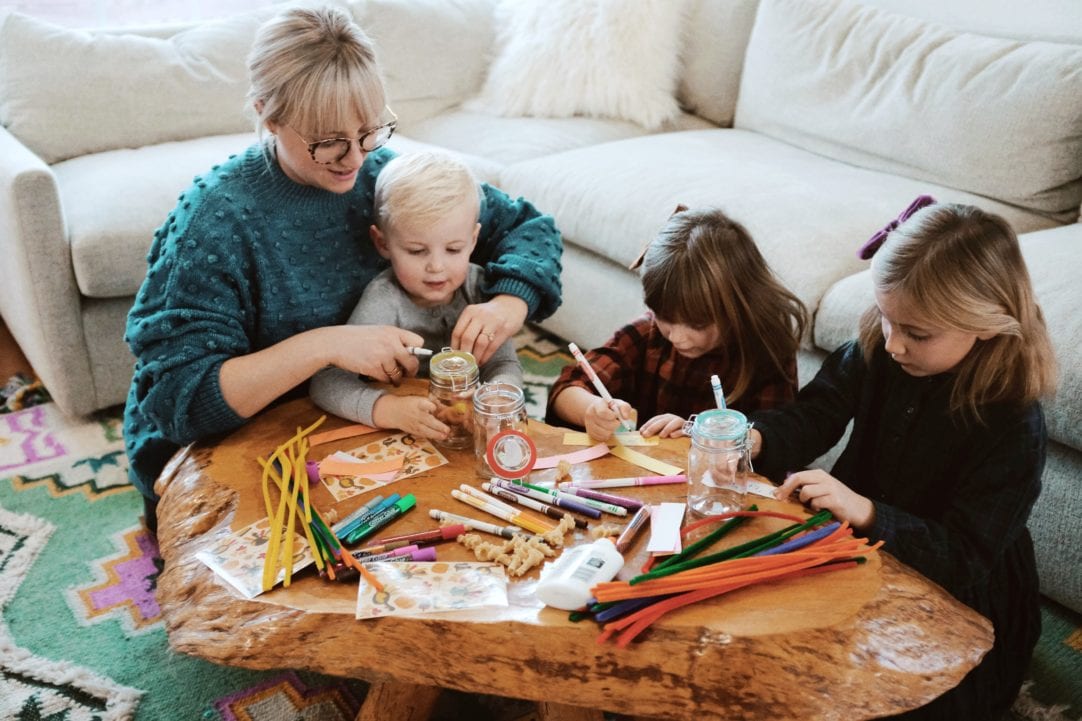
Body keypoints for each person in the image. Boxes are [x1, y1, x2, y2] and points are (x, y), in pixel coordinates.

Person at [123, 6, 562, 530]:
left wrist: (508, 304)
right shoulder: (217, 219)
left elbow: (527, 228)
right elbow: (180, 401)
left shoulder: (383, 175)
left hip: (348, 416)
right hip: (233, 440)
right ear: (268, 115)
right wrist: (325, 345)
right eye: (329, 141)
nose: (354, 158)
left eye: (370, 130)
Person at [750, 199, 1056, 720]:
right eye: (887, 318)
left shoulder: (1013, 422)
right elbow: (816, 415)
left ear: (984, 322)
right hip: (862, 556)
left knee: (879, 701)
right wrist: (752, 437)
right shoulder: (878, 346)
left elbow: (965, 558)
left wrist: (867, 512)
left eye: (917, 332)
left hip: (963, 599)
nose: (894, 343)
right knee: (766, 650)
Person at [309, 150, 523, 439]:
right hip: (403, 432)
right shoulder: (384, 300)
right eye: (417, 251)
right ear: (383, 243)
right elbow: (326, 381)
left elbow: (504, 364)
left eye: (453, 249)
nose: (436, 266)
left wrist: (496, 398)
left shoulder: (482, 289)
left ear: (473, 240)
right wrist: (387, 409)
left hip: (469, 429)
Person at [545, 206, 807, 440]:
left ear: (737, 309)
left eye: (698, 324)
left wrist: (701, 437)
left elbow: (774, 441)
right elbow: (567, 389)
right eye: (665, 318)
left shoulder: (767, 356)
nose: (677, 337)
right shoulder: (648, 333)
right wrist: (591, 411)